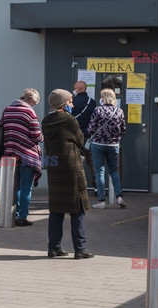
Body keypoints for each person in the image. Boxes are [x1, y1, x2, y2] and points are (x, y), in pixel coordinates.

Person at [41, 89, 94, 260]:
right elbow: (80, 140)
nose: (72, 104)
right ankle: (80, 248)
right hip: (71, 167)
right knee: (76, 209)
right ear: (63, 104)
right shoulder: (69, 120)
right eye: (70, 102)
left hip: (54, 167)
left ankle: (53, 247)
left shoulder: (46, 120)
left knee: (56, 209)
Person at [2, 88, 43, 227]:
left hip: (10, 152)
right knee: (26, 187)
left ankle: (12, 215)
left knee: (15, 186)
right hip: (27, 154)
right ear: (31, 100)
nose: (34, 106)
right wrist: (42, 137)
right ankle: (22, 216)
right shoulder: (29, 112)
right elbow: (36, 136)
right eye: (34, 103)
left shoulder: (7, 109)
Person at [87, 88, 127, 209]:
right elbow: (123, 130)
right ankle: (119, 197)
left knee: (100, 171)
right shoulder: (119, 111)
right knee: (114, 171)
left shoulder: (98, 110)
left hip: (98, 144)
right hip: (113, 145)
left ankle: (101, 200)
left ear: (103, 98)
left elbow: (91, 129)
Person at [71, 80, 98, 193]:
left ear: (80, 89)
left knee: (74, 161)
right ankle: (97, 187)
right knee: (92, 161)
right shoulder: (92, 102)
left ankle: (76, 186)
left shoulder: (71, 102)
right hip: (88, 136)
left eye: (75, 88)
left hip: (74, 136)